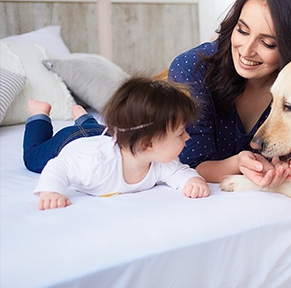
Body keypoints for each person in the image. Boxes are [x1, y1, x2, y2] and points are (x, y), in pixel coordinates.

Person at [168, 0, 291, 187]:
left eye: (267, 43)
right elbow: (188, 164)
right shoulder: (192, 70)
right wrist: (238, 163)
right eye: (242, 30)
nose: (247, 51)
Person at [26, 77, 210, 210]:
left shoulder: (160, 163)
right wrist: (51, 191)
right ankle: (39, 114)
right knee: (33, 157)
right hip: (71, 139)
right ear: (147, 144)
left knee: (94, 128)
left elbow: (180, 172)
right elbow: (60, 166)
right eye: (180, 134)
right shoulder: (95, 165)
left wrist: (192, 181)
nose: (187, 137)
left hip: (102, 135)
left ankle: (82, 116)